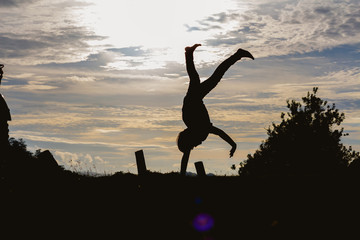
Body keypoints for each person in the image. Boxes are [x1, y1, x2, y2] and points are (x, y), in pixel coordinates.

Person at [177, 44, 254, 175]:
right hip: (193, 99)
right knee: (207, 78)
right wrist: (233, 144)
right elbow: (186, 155)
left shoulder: (199, 128)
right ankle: (189, 54)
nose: (198, 145)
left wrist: (233, 144)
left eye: (194, 145)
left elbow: (219, 133)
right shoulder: (198, 129)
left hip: (193, 99)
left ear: (191, 138)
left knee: (205, 78)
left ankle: (190, 54)